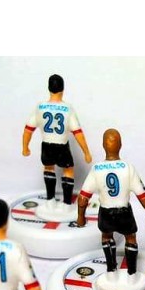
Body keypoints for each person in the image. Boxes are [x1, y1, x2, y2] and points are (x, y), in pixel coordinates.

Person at [77, 129, 145, 276]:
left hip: (105, 212)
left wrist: (81, 217)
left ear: (103, 145)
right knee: (131, 237)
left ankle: (111, 270)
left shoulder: (96, 169)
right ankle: (132, 272)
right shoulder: (128, 167)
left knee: (106, 236)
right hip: (124, 212)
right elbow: (142, 195)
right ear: (121, 145)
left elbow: (83, 198)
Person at [22, 74, 92, 206]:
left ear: (48, 89)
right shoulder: (68, 108)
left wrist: (25, 147)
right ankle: (66, 203)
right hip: (62, 145)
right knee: (68, 170)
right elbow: (78, 133)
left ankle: (50, 200)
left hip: (46, 145)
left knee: (49, 168)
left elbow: (28, 129)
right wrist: (86, 152)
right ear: (63, 89)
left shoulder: (40, 107)